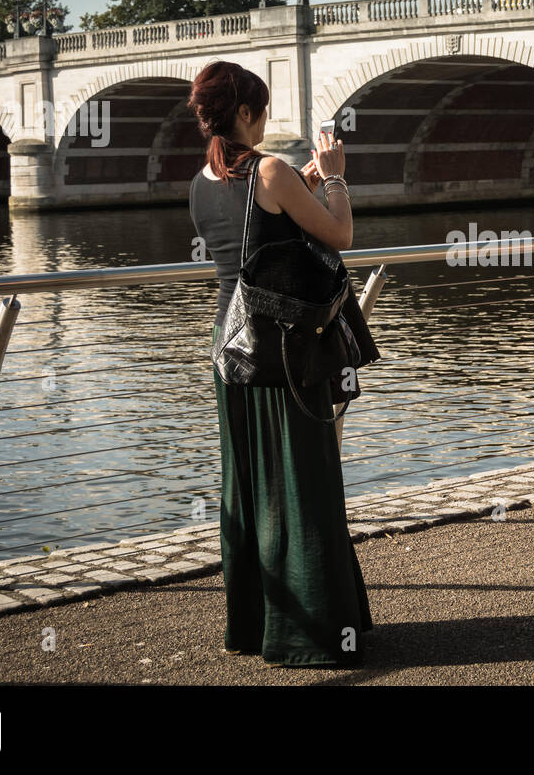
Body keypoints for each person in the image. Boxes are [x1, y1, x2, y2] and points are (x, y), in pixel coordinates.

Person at [187, 60, 372, 666]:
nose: (265, 121)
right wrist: (336, 179)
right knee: (304, 480)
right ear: (244, 113)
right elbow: (340, 236)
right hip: (285, 349)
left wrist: (303, 183)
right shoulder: (271, 170)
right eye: (261, 110)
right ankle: (315, 633)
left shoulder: (201, 181)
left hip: (230, 345)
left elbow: (254, 244)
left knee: (249, 483)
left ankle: (256, 624)